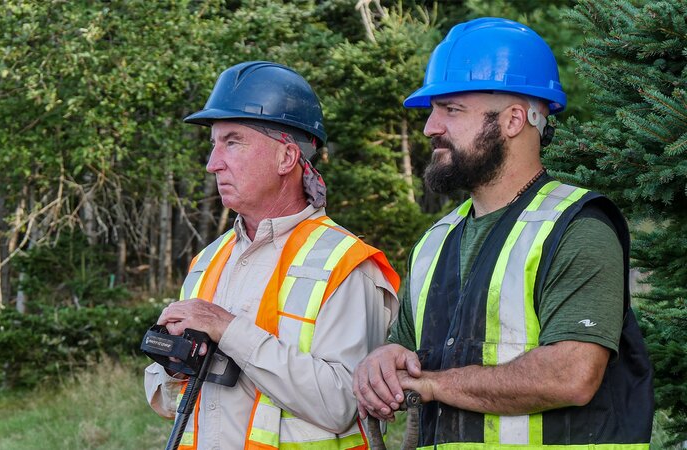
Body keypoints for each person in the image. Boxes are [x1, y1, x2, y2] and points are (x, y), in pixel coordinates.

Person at [353, 17, 654, 448]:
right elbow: (404, 352)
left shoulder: (577, 227)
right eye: (433, 110)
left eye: (451, 109)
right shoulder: (435, 241)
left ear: (513, 120)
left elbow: (572, 375)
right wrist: (384, 360)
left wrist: (435, 385)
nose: (430, 127)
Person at [144, 61, 401, 449]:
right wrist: (172, 362)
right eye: (213, 144)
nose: (213, 163)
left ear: (286, 158)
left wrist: (229, 330)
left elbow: (343, 405)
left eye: (232, 142)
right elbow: (167, 400)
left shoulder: (344, 263)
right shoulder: (208, 260)